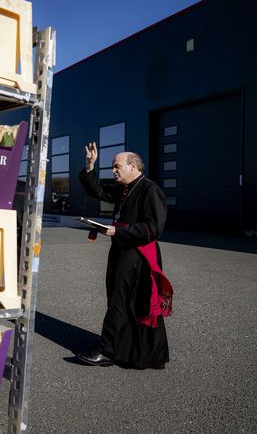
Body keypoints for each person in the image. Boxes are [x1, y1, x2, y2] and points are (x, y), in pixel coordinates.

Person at [77, 142, 170, 369]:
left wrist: (119, 231)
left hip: (138, 256)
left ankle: (107, 351)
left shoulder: (150, 190)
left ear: (133, 166)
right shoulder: (125, 189)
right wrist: (90, 166)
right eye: (112, 167)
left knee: (122, 301)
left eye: (117, 166)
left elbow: (153, 227)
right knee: (127, 303)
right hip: (122, 251)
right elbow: (97, 191)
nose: (113, 171)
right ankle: (140, 353)